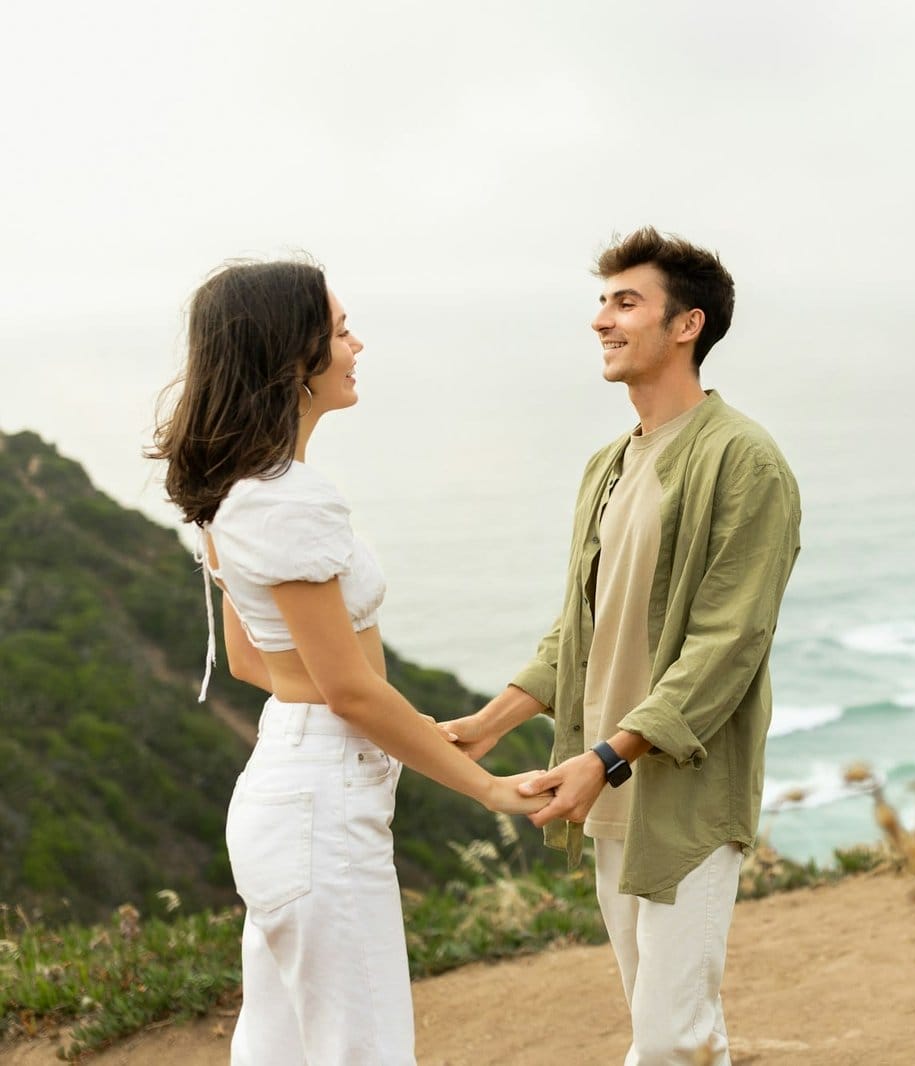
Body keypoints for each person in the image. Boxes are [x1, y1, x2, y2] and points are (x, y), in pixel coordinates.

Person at [149, 259, 548, 1065]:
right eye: (338, 331)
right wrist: (489, 788)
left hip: (288, 786)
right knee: (362, 1050)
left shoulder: (239, 489)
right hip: (319, 809)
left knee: (283, 1048)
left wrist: (390, 724)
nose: (356, 344)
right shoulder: (290, 499)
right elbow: (349, 689)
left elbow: (256, 663)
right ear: (292, 356)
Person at [440, 228, 801, 1065]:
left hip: (682, 790)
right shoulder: (609, 464)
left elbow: (728, 643)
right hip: (605, 783)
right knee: (664, 1022)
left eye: (625, 302)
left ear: (687, 325)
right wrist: (493, 721)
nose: (602, 320)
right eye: (602, 302)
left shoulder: (745, 462)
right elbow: (582, 622)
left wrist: (608, 755)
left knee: (672, 1038)